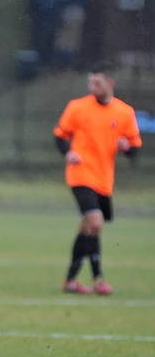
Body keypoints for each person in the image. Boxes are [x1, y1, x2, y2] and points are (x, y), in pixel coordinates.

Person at [53, 61, 141, 296]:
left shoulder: (124, 112)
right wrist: (68, 152)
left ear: (110, 84)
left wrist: (126, 146)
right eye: (90, 82)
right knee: (95, 222)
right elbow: (60, 136)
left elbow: (135, 147)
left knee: (87, 228)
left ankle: (70, 280)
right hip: (80, 174)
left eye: (97, 83)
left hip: (104, 179)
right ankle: (98, 278)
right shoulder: (78, 107)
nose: (92, 86)